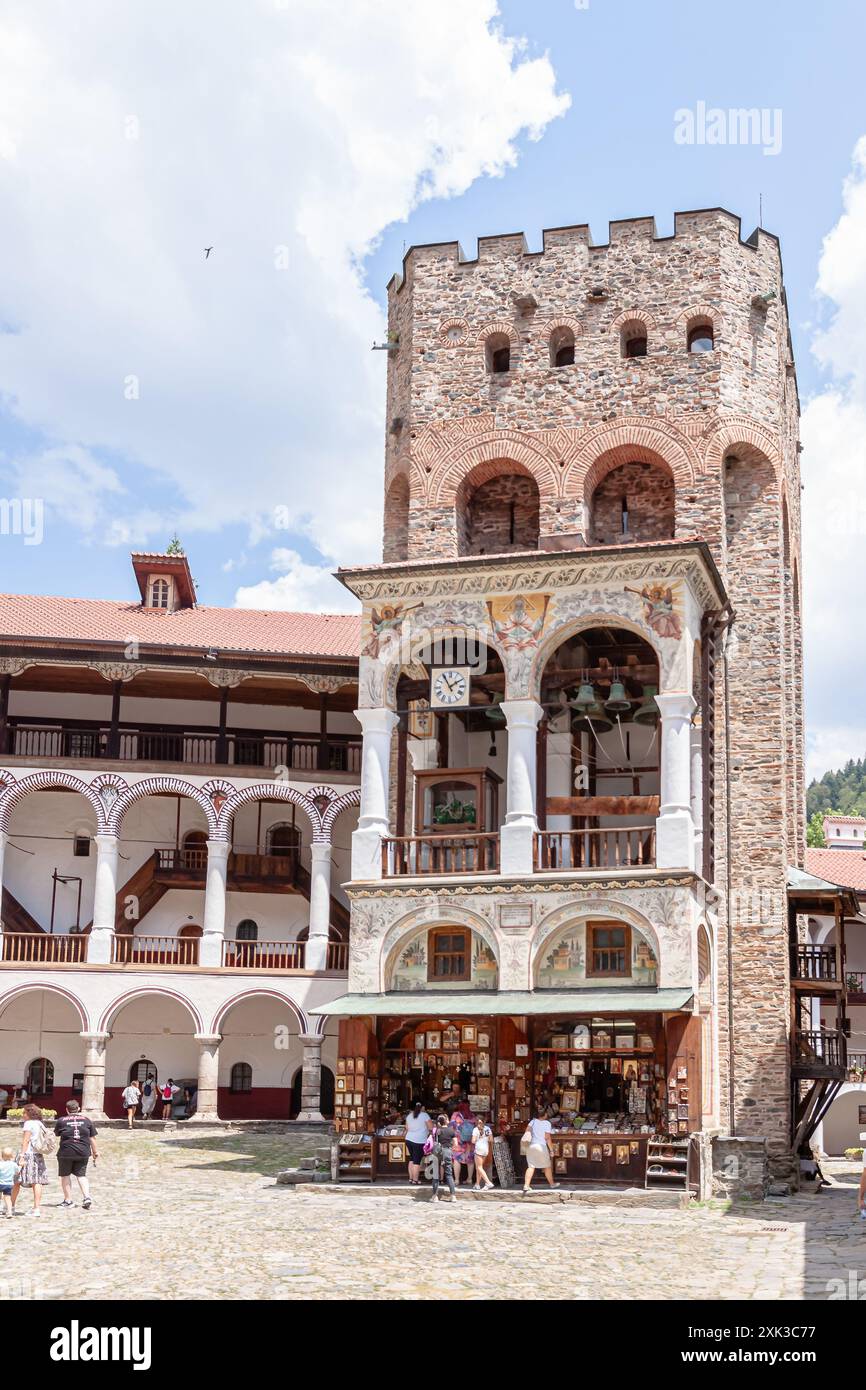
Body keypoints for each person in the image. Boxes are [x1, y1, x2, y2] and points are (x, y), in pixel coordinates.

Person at [54, 1100, 99, 1210]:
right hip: (83, 1152)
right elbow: (92, 1138)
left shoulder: (62, 1121)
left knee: (65, 1176)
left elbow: (57, 1134)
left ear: (66, 1109)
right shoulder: (87, 1120)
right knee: (81, 1175)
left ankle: (68, 1200)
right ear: (78, 1109)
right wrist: (95, 1152)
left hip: (66, 1152)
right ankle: (87, 1197)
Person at [11, 1102, 49, 1217]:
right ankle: (36, 1208)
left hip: (27, 1154)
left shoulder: (28, 1124)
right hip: (38, 1155)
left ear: (29, 1113)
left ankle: (10, 1206)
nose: (23, 1114)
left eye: (24, 1112)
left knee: (16, 1180)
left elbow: (25, 1141)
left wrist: (21, 1156)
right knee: (37, 1181)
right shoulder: (40, 1124)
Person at [522, 1104, 558, 1194]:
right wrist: (551, 1150)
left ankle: (526, 1185)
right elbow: (547, 1138)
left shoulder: (532, 1122)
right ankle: (552, 1184)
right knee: (547, 1167)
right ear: (545, 1115)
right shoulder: (547, 1123)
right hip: (541, 1147)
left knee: (531, 1166)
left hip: (531, 1146)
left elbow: (527, 1132)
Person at [430, 1114, 458, 1204]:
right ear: (447, 1121)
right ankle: (453, 1196)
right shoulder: (451, 1131)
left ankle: (435, 1196)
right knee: (449, 1174)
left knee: (435, 1174)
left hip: (437, 1152)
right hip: (447, 1151)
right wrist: (450, 1148)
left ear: (439, 1122)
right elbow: (455, 1143)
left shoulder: (436, 1131)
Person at [404, 1101, 431, 1186]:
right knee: (417, 1161)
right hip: (419, 1140)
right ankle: (415, 1180)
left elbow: (407, 1128)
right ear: (422, 1107)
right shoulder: (425, 1115)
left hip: (409, 1139)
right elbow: (431, 1127)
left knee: (412, 1159)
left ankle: (411, 1178)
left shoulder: (409, 1116)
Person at [452, 1107, 476, 1187]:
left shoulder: (456, 1114)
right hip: (470, 1141)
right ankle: (469, 1179)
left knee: (456, 1160)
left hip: (459, 1141)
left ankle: (456, 1180)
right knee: (470, 1160)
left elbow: (452, 1126)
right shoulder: (472, 1115)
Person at [471, 1118, 495, 1190]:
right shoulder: (487, 1128)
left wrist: (477, 1139)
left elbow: (473, 1141)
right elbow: (491, 1140)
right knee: (480, 1167)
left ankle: (488, 1182)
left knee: (479, 1167)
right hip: (486, 1149)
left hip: (478, 1148)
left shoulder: (475, 1129)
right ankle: (477, 1184)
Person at [0, 1148, 16, 1218]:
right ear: (12, 1156)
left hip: (0, 1183)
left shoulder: (0, 1164)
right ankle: (9, 1212)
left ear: (2, 1156)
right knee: (8, 1198)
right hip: (9, 1184)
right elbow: (17, 1171)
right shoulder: (13, 1164)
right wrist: (21, 1165)